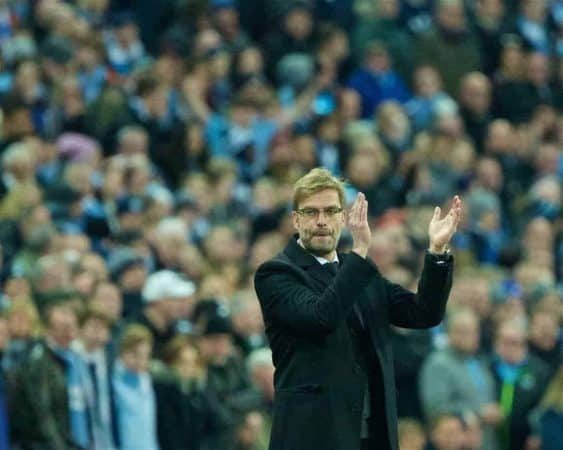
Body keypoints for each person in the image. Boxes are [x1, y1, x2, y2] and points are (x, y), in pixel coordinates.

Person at [254, 168, 461, 450]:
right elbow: (321, 317)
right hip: (312, 437)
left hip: (371, 433)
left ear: (342, 217)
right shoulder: (277, 274)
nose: (321, 221)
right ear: (295, 219)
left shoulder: (361, 272)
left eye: (330, 211)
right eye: (311, 212)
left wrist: (437, 251)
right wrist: (360, 252)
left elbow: (423, 313)